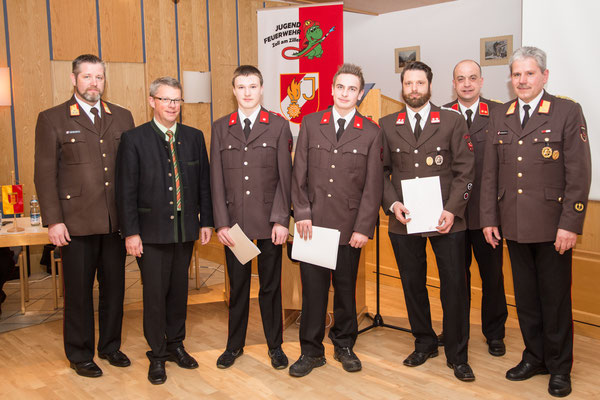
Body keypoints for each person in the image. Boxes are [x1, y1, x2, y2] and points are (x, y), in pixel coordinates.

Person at [481, 46, 591, 398]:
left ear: (544, 76)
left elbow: (579, 172)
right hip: (512, 223)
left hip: (552, 226)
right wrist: (489, 218)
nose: (523, 80)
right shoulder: (502, 114)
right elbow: (490, 173)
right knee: (526, 299)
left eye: (529, 73)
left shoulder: (566, 111)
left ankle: (560, 367)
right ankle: (535, 356)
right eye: (517, 74)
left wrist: (570, 223)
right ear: (510, 79)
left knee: (554, 299)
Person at [34, 54, 134, 378]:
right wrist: (53, 220)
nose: (94, 83)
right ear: (74, 79)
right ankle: (80, 353)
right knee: (78, 293)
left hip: (114, 223)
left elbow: (131, 172)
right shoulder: (52, 119)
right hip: (74, 224)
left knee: (115, 289)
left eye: (99, 77)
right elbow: (44, 174)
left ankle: (110, 346)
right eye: (87, 77)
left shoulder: (122, 116)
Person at [380, 61, 475, 382]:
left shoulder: (451, 121)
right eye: (409, 84)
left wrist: (452, 209)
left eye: (420, 83)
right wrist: (392, 203)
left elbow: (465, 170)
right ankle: (423, 342)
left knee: (454, 287)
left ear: (430, 86)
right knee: (412, 284)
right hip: (403, 220)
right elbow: (380, 174)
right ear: (402, 87)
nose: (415, 89)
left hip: (446, 220)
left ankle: (457, 354)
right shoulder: (386, 124)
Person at [115, 77, 213, 385]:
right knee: (155, 295)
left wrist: (206, 221)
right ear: (152, 101)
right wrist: (131, 232)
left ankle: (176, 345)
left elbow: (203, 185)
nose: (172, 106)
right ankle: (157, 355)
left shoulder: (194, 137)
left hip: (184, 232)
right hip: (150, 233)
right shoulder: (134, 139)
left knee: (179, 292)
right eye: (166, 99)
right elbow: (125, 190)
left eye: (177, 100)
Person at [290, 63, 383, 377]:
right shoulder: (311, 123)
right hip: (313, 226)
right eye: (340, 87)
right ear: (331, 89)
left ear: (360, 93)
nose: (345, 93)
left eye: (352, 89)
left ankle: (344, 345)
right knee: (313, 292)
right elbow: (297, 174)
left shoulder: (371, 132)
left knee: (345, 292)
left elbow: (373, 186)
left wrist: (364, 228)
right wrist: (301, 213)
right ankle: (310, 351)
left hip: (349, 228)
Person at [211, 65, 292, 370]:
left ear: (261, 89)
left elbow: (287, 178)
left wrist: (282, 220)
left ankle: (275, 346)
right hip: (235, 227)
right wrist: (220, 223)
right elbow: (215, 180)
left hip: (270, 224)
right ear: (233, 90)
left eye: (252, 87)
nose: (247, 93)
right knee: (238, 288)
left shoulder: (278, 126)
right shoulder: (220, 127)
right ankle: (234, 346)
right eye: (241, 87)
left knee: (271, 288)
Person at [440, 60, 508, 357]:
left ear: (481, 81)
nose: (466, 84)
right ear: (453, 84)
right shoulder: (441, 115)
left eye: (472, 78)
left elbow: (504, 166)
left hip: (485, 215)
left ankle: (494, 333)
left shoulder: (498, 113)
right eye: (460, 79)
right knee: (454, 278)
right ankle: (454, 330)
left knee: (491, 277)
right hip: (452, 215)